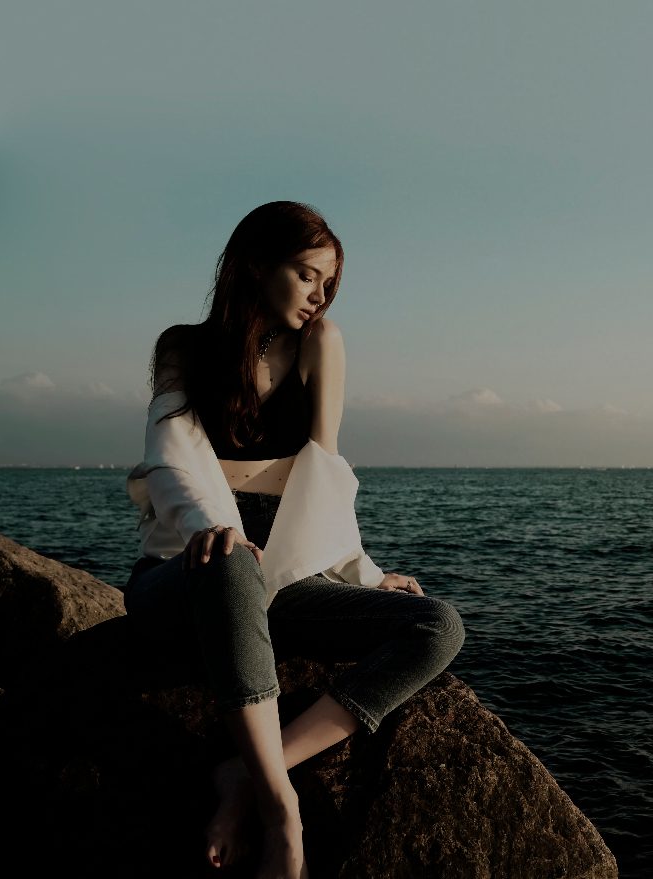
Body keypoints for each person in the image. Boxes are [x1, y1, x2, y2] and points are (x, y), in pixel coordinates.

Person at [121, 201, 464, 879]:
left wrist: (361, 573)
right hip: (187, 571)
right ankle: (282, 809)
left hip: (284, 577)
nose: (319, 295)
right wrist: (205, 528)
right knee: (228, 562)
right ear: (255, 264)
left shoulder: (321, 344)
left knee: (438, 625)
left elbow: (326, 469)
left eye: (328, 283)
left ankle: (246, 774)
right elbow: (168, 456)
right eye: (307, 275)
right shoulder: (183, 347)